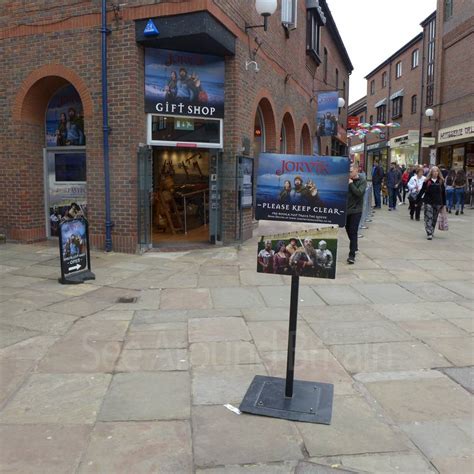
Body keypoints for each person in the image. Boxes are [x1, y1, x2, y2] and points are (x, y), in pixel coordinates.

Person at [416, 166, 446, 240]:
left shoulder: (441, 181)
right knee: (428, 217)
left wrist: (444, 204)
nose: (435, 173)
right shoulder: (427, 181)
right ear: (431, 172)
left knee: (434, 218)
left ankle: (432, 230)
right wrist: (417, 201)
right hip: (428, 202)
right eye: (434, 171)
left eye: (437, 171)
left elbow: (443, 193)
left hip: (438, 202)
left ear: (438, 172)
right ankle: (429, 233)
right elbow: (422, 191)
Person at [345, 166, 367, 264]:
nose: (349, 173)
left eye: (350, 171)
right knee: (348, 230)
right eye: (348, 171)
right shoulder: (345, 179)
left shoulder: (362, 180)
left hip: (356, 210)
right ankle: (355, 245)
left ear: (356, 170)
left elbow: (359, 193)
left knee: (353, 231)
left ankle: (351, 255)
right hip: (346, 210)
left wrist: (350, 184)